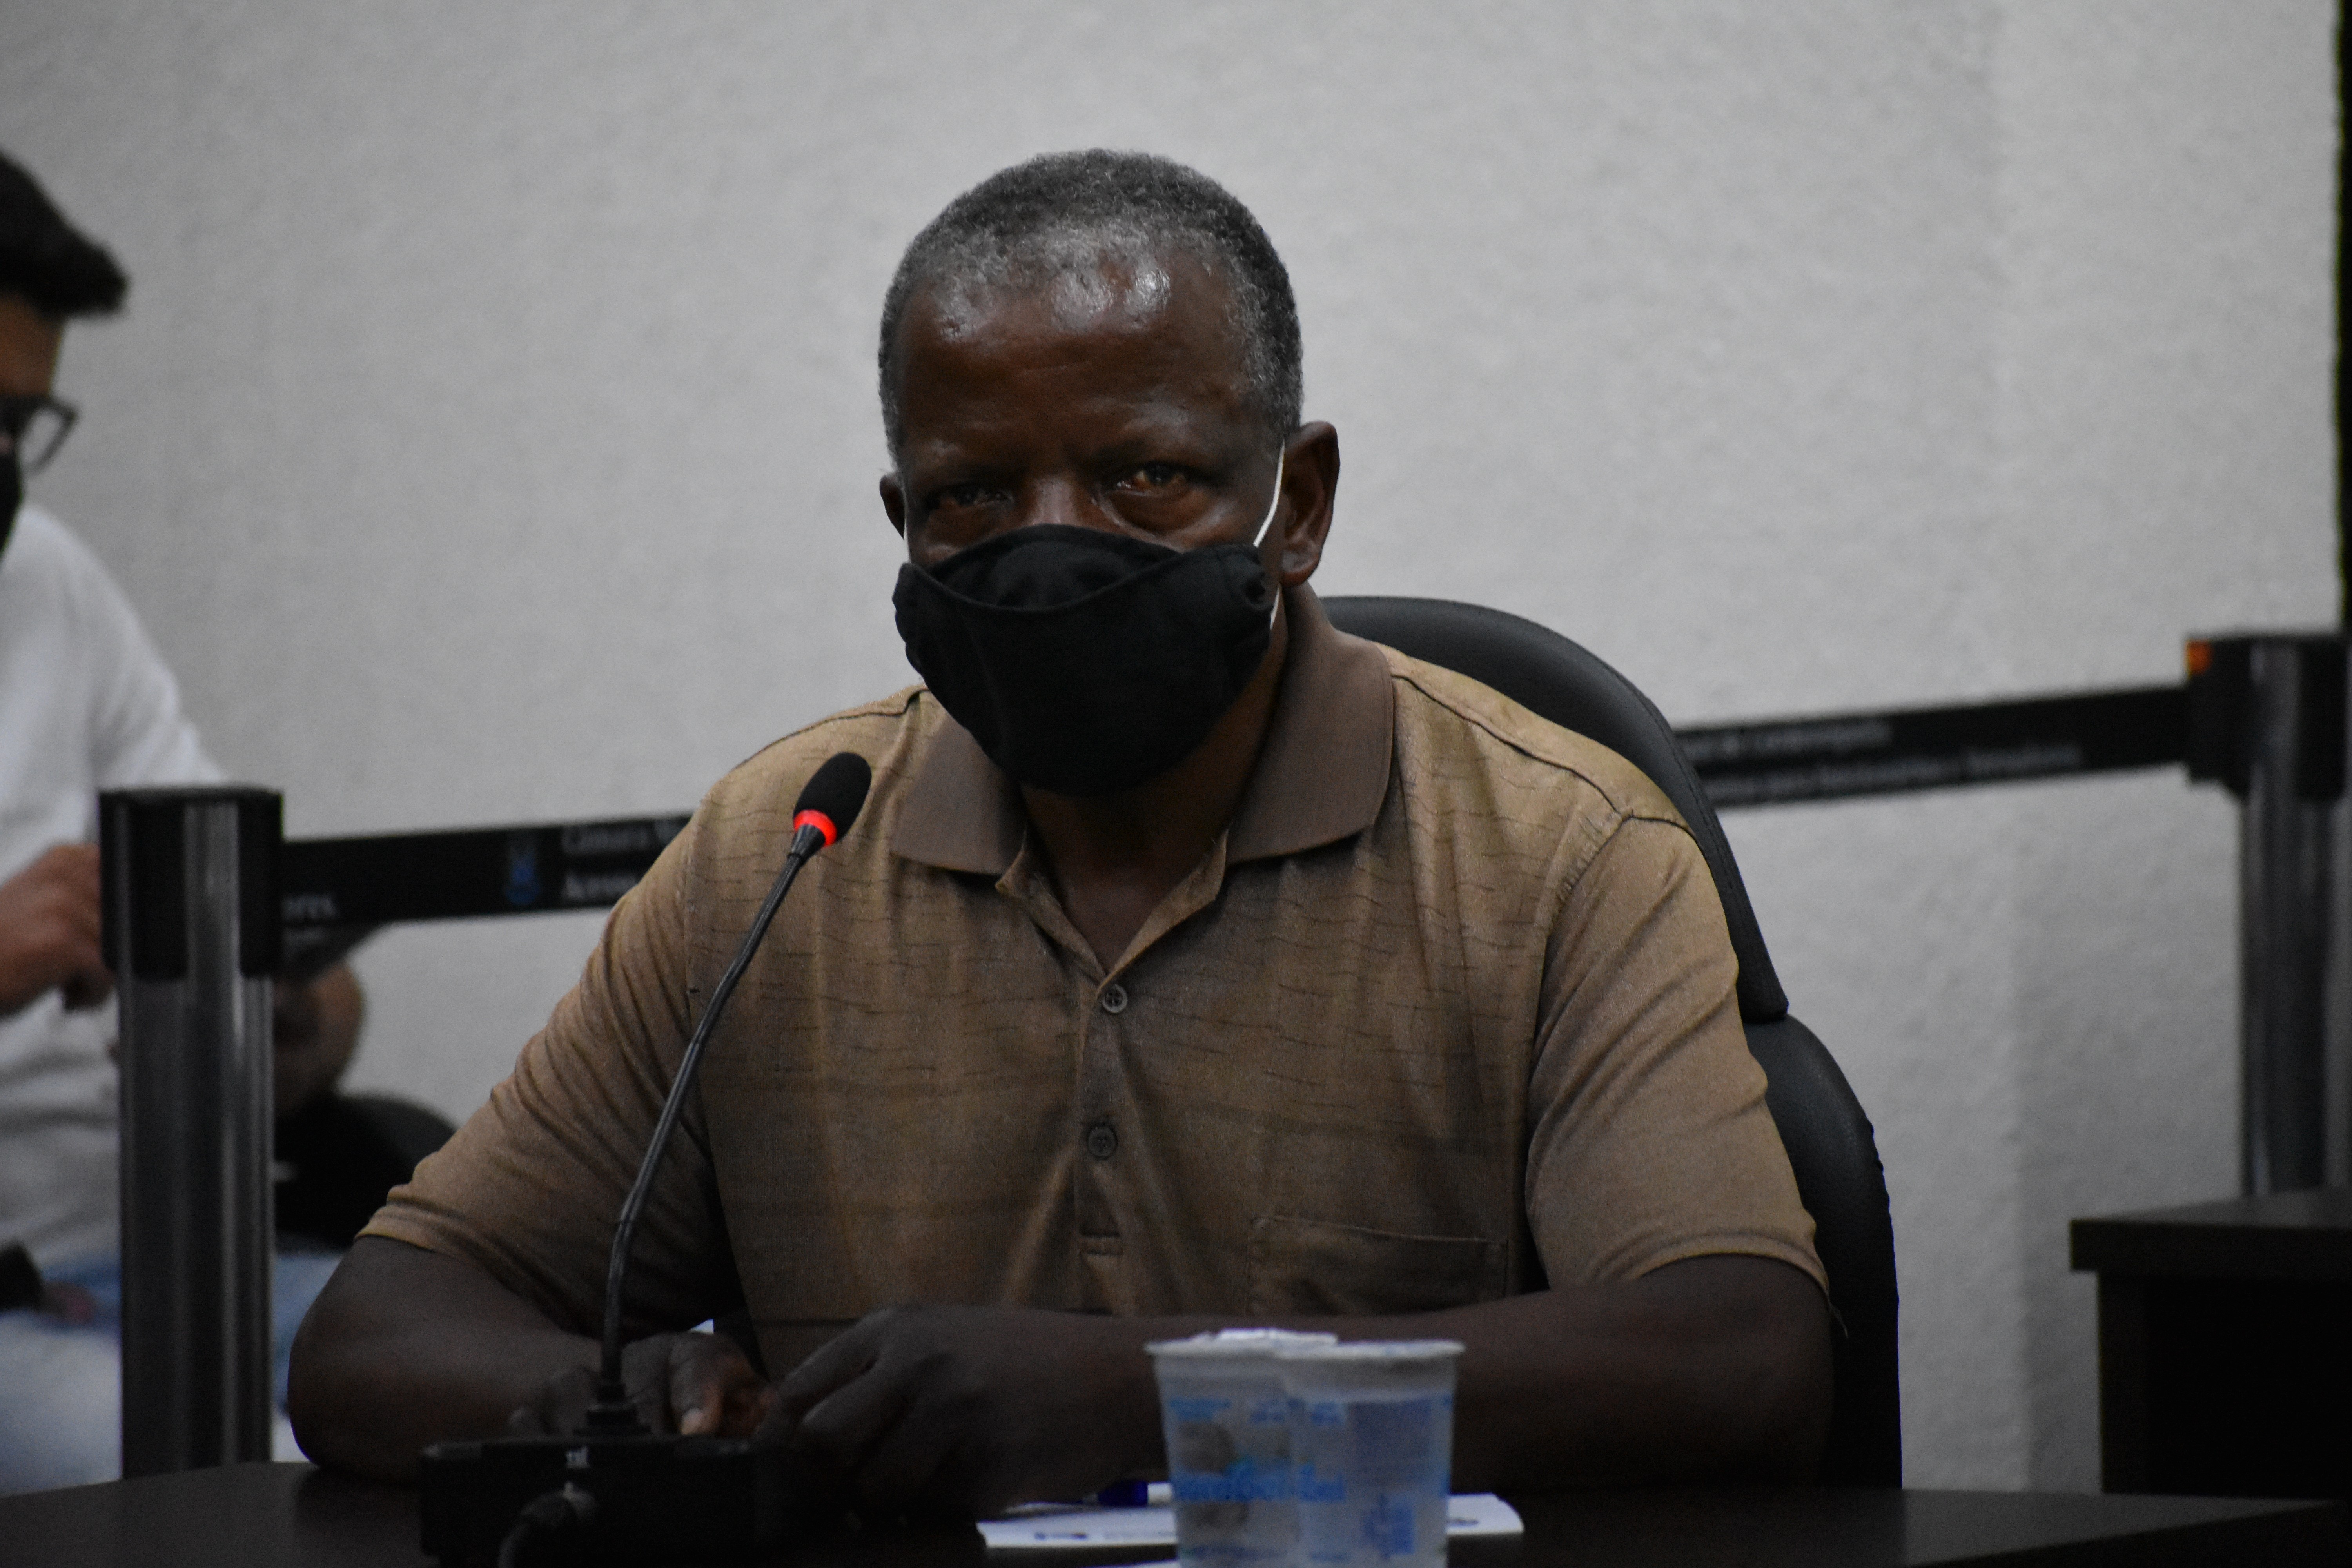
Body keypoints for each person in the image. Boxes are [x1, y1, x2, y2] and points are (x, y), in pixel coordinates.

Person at [291, 151, 1832, 1513]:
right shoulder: (782, 857)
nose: (1050, 546)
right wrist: (599, 1403)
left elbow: (1740, 1355)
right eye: (972, 495)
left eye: (1143, 476)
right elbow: (377, 1330)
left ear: (1298, 505)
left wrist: (1147, 1398)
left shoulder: (1556, 853)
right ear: (902, 518)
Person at [0, 150, 365, 1494]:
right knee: (266, 1485)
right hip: (21, 1309)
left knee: (556, 1381)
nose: (3, 470)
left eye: (21, 425)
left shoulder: (46, 581)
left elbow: (233, 899)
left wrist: (286, 1011)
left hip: (168, 1253)